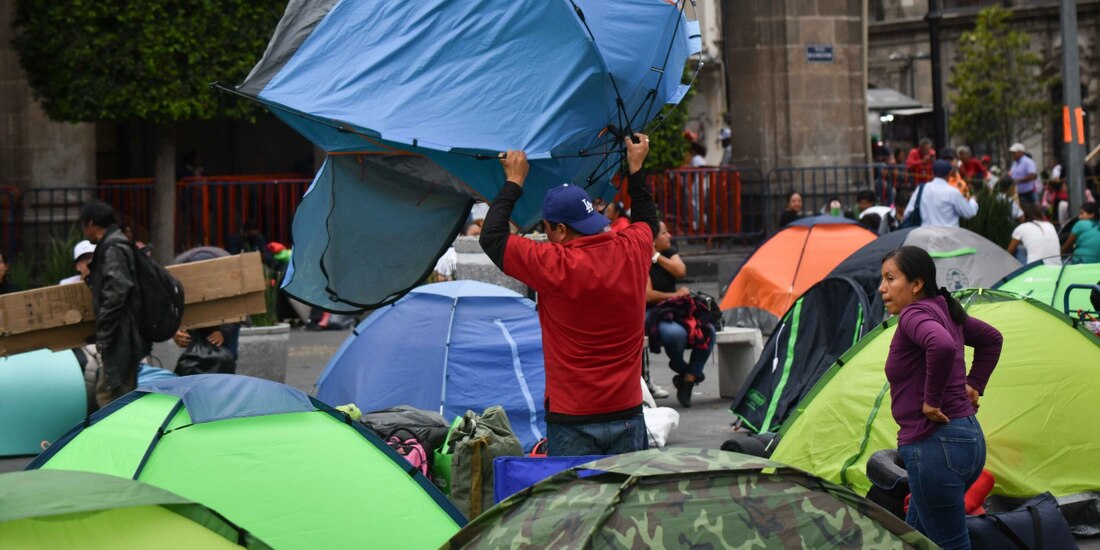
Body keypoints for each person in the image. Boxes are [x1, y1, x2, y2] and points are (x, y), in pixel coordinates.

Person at [480, 134, 657, 457]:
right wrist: (636, 166)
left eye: (547, 228)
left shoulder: (554, 264)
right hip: (628, 413)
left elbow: (492, 237)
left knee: (573, 493)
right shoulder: (632, 249)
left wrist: (514, 181)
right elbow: (647, 221)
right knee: (626, 490)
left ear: (560, 230)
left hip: (573, 417)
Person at [879, 246, 1003, 548]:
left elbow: (942, 345)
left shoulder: (913, 315)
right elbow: (991, 339)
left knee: (951, 544)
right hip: (967, 440)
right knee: (915, 538)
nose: (882, 288)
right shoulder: (944, 308)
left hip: (935, 446)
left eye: (890, 279)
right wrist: (974, 384)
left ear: (916, 284)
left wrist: (931, 401)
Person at [80, 200, 150, 409]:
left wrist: (105, 328)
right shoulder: (115, 243)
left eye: (83, 225)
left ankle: (117, 430)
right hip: (122, 331)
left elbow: (118, 289)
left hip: (120, 332)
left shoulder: (113, 247)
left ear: (91, 223)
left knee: (111, 393)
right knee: (117, 391)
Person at [645, 221, 715, 407]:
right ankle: (682, 368)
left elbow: (681, 271)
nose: (669, 236)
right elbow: (648, 295)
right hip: (653, 311)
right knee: (675, 334)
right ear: (653, 240)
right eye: (664, 233)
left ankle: (689, 380)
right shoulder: (641, 258)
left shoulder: (668, 252)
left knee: (708, 330)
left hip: (674, 308)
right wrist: (674, 295)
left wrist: (657, 256)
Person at [903, 160, 978, 228]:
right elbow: (969, 212)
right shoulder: (952, 192)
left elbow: (907, 213)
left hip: (925, 235)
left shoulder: (921, 189)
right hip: (948, 236)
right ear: (949, 174)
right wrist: (972, 200)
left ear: (932, 173)